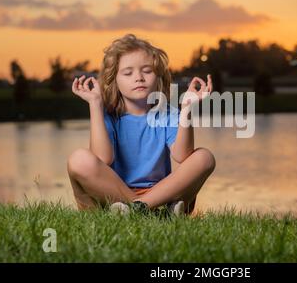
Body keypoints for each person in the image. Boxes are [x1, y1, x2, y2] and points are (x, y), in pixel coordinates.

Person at [67, 33, 216, 216]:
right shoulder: (108, 115)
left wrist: (186, 108)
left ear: (159, 77)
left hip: (159, 193)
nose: (139, 77)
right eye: (128, 73)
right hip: (113, 195)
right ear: (114, 80)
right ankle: (151, 211)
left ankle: (141, 208)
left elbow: (182, 155)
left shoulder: (167, 114)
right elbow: (103, 158)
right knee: (78, 159)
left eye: (147, 71)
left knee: (204, 157)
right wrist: (95, 105)